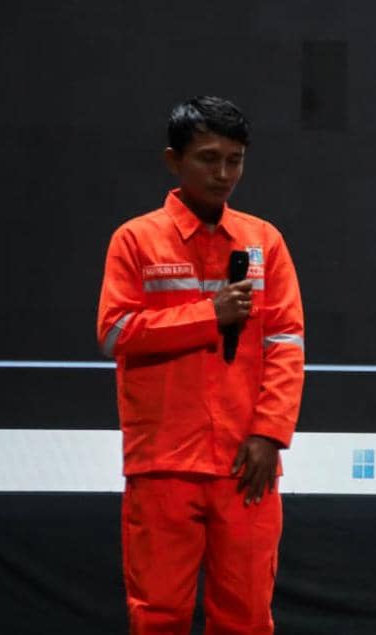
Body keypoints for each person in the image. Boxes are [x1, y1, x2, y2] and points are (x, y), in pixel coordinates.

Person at [97, 96, 304, 634]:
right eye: (208, 158)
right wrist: (208, 315)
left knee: (247, 618)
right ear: (174, 160)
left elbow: (286, 343)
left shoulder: (266, 242)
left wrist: (269, 435)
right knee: (157, 615)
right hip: (163, 461)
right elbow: (116, 332)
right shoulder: (135, 239)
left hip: (246, 463)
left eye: (234, 159)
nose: (223, 173)